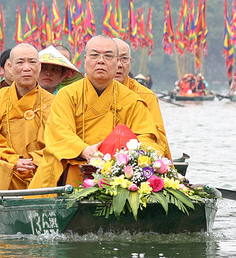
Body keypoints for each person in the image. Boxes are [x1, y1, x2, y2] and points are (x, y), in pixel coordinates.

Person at [29, 35, 162, 189]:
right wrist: (85, 150)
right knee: (57, 162)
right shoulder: (67, 95)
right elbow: (59, 132)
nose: (101, 61)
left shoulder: (132, 100)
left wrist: (124, 158)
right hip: (75, 161)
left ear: (116, 62)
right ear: (85, 60)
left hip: (118, 168)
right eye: (94, 55)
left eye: (108, 56)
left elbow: (148, 138)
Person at [0, 43, 54, 190]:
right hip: (6, 165)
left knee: (54, 168)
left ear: (39, 66)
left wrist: (35, 161)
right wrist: (13, 160)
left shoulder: (53, 103)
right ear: (9, 67)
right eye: (20, 62)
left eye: (32, 62)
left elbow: (58, 141)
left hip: (39, 166)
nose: (26, 68)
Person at [114, 38, 171, 158]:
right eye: (113, 58)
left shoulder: (145, 96)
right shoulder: (86, 92)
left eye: (124, 59)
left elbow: (156, 138)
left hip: (134, 159)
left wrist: (137, 158)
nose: (119, 64)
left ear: (130, 62)